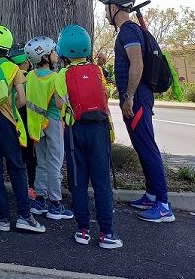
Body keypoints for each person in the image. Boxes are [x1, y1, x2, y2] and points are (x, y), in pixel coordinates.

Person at [99, 0, 175, 223]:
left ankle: (163, 205)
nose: (104, 12)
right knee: (142, 146)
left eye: (107, 7)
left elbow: (137, 63)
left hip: (138, 98)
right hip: (136, 97)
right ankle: (152, 195)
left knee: (147, 146)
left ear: (115, 8)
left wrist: (129, 96)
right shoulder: (127, 31)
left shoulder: (129, 31)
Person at [55, 24, 122, 249]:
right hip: (99, 130)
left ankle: (83, 230)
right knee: (102, 181)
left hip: (75, 132)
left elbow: (59, 105)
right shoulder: (97, 71)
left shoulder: (62, 75)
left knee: (78, 181)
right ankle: (107, 233)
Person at [0, 25, 45, 234]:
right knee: (16, 166)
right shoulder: (12, 68)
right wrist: (11, 104)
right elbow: (22, 100)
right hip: (7, 121)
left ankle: (3, 217)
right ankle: (24, 215)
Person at [24, 37, 72, 221]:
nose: (56, 54)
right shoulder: (56, 77)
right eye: (52, 51)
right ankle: (55, 204)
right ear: (44, 57)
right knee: (55, 164)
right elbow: (60, 104)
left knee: (42, 163)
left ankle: (40, 200)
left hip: (37, 126)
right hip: (53, 123)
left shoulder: (29, 76)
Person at [9, 43, 37, 199]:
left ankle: (19, 187)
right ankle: (32, 187)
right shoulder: (31, 77)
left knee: (17, 157)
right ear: (27, 61)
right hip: (30, 123)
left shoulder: (10, 76)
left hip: (13, 122)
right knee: (31, 157)